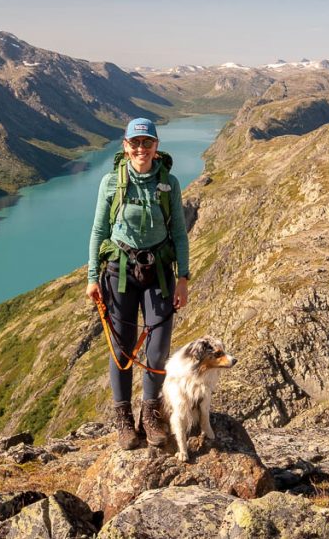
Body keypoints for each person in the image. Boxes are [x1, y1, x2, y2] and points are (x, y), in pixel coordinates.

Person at [86, 117, 189, 450]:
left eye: (147, 142)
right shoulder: (110, 183)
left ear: (156, 146)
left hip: (158, 271)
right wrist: (92, 277)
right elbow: (99, 231)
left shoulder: (168, 183)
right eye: (135, 143)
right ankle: (123, 421)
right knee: (122, 351)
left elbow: (179, 234)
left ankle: (150, 415)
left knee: (157, 352)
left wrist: (183, 278)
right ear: (125, 145)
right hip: (119, 272)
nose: (141, 149)